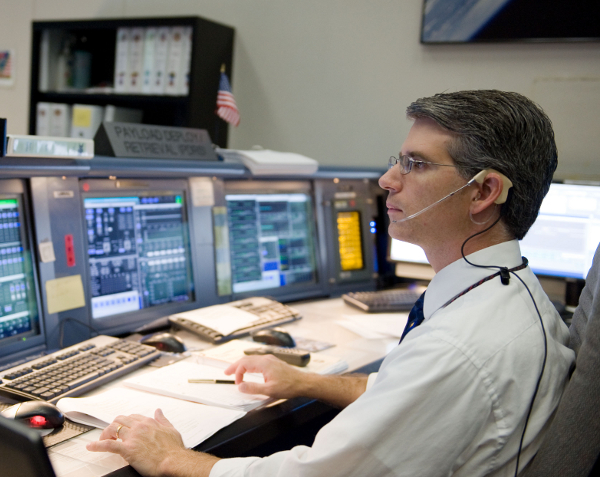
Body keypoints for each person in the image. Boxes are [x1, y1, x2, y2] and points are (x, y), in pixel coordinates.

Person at [87, 90, 575, 477]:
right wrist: (306, 382)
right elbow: (404, 393)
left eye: (415, 164)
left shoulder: (458, 346)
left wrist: (171, 458)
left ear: (484, 191)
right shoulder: (510, 294)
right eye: (398, 160)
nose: (387, 179)